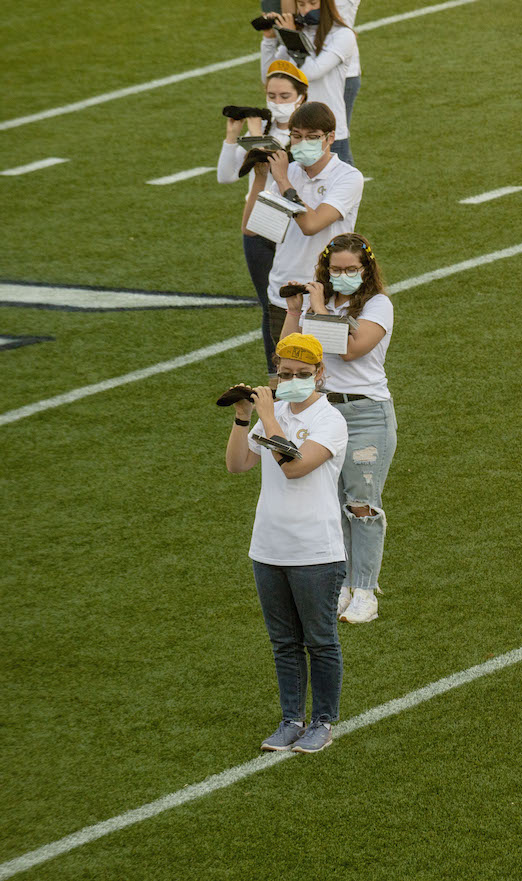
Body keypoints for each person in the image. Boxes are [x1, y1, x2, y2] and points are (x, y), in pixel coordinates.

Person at [224, 332, 349, 754]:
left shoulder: (330, 421)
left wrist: (269, 418)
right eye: (285, 372)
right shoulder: (269, 414)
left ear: (320, 373)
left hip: (315, 551)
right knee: (284, 642)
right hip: (269, 547)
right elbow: (238, 464)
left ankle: (323, 722)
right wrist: (245, 418)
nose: (292, 379)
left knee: (320, 640)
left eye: (301, 373)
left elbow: (295, 467)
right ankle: (291, 718)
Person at [280, 233, 395, 625]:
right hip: (325, 412)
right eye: (336, 269)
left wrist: (316, 307)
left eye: (351, 269)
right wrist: (295, 311)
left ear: (366, 270)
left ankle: (366, 590)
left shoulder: (379, 305)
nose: (343, 275)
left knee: (360, 504)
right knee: (330, 503)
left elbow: (350, 348)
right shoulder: (320, 304)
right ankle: (344, 585)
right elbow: (289, 353)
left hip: (366, 414)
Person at [218, 59, 310, 371]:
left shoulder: (306, 137)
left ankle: (306, 364)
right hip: (257, 224)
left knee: (298, 303)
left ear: (301, 98)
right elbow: (226, 176)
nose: (278, 102)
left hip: (293, 226)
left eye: (285, 96)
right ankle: (277, 370)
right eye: (272, 96)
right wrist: (234, 135)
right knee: (268, 305)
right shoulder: (263, 133)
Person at [262, 102, 365, 357]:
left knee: (325, 380)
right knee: (284, 379)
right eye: (296, 136)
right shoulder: (286, 173)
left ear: (330, 138)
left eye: (312, 137)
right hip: (284, 294)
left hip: (327, 296)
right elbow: (263, 229)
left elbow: (311, 224)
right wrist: (259, 178)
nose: (302, 142)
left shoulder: (348, 177)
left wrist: (283, 181)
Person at [260, 0, 359, 165]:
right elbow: (269, 77)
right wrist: (269, 39)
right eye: (301, 4)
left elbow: (311, 72)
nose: (306, 10)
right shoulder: (296, 34)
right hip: (297, 133)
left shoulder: (342, 35)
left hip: (330, 135)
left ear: (326, 2)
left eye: (313, 3)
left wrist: (291, 38)